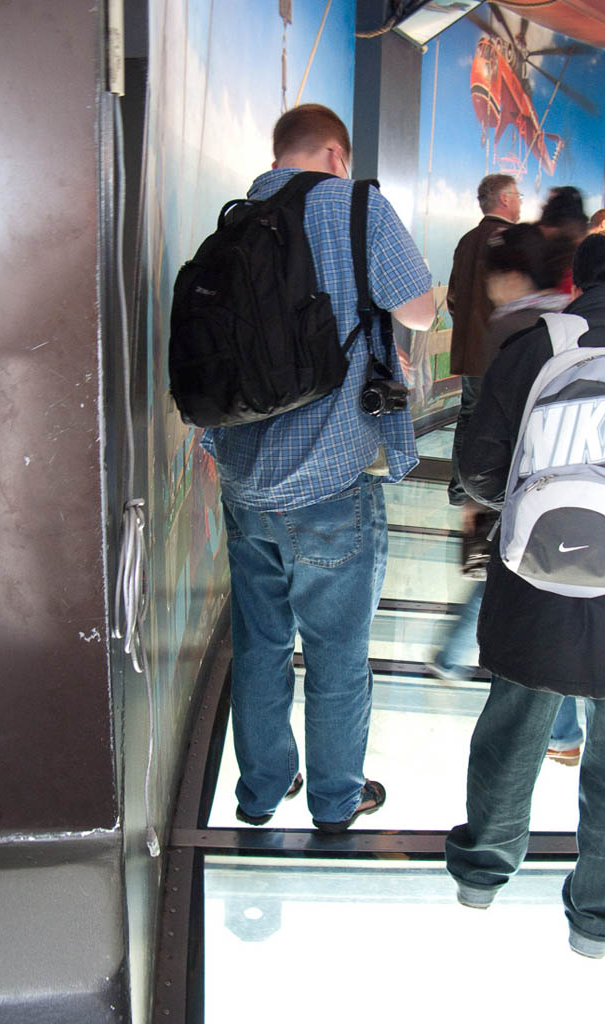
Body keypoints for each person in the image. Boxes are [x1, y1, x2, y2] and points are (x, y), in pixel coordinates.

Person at [446, 230, 605, 957]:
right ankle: (597, 920)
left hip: (533, 590)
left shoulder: (531, 349)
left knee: (511, 736)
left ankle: (481, 875)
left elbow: (477, 471)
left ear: (578, 284)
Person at [201, 104, 434, 833]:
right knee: (337, 653)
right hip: (330, 480)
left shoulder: (237, 217)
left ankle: (261, 792)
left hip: (242, 476)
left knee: (261, 644)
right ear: (336, 152)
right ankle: (336, 801)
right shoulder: (356, 204)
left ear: (279, 155)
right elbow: (421, 311)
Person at [430, 223, 583, 763]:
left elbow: (486, 420)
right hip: (550, 485)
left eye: (494, 278)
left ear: (513, 276)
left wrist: (476, 496)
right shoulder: (565, 323)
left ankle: (455, 657)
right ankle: (561, 730)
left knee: (515, 589)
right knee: (541, 601)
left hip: (513, 485)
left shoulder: (511, 327)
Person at [447, 174, 522, 504]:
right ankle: (491, 492)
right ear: (504, 199)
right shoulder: (514, 242)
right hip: (505, 353)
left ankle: (460, 488)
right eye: (518, 195)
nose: (521, 202)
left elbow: (452, 298)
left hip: (471, 351)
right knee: (505, 420)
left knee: (468, 416)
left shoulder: (467, 240)